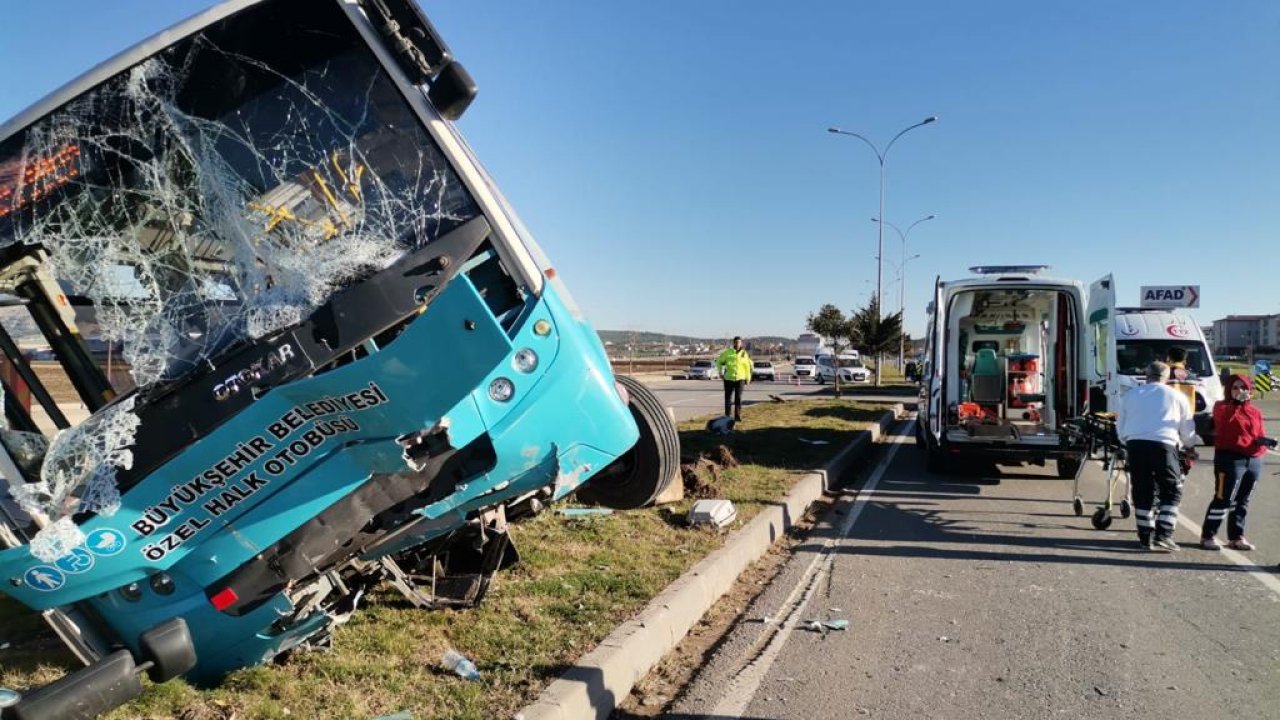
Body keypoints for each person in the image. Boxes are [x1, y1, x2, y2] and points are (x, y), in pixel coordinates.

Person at [1117, 361, 1199, 551]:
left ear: (1146, 375)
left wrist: (1126, 441)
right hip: (1164, 445)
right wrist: (1190, 447)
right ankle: (1164, 534)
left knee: (1142, 489)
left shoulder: (1130, 395)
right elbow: (1187, 427)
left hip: (1135, 445)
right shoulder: (1177, 396)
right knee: (1172, 489)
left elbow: (1120, 425)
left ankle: (1145, 535)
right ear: (1167, 377)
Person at [1200, 374, 1276, 550]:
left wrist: (1265, 442)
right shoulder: (1221, 407)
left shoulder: (1255, 412)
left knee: (1243, 500)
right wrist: (1236, 403)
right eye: (1235, 387)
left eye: (1243, 387)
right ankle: (1208, 535)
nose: (1240, 391)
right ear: (1229, 390)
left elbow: (1257, 434)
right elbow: (1225, 422)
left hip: (1253, 458)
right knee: (1223, 498)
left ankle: (1236, 536)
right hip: (1229, 458)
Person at [715, 337, 752, 422]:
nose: (738, 344)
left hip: (740, 378)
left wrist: (748, 378)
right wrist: (720, 372)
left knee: (738, 398)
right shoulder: (727, 352)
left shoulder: (744, 353)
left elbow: (747, 366)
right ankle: (727, 416)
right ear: (733, 343)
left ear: (741, 343)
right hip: (729, 378)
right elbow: (719, 362)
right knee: (728, 398)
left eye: (739, 342)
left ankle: (737, 416)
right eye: (736, 342)